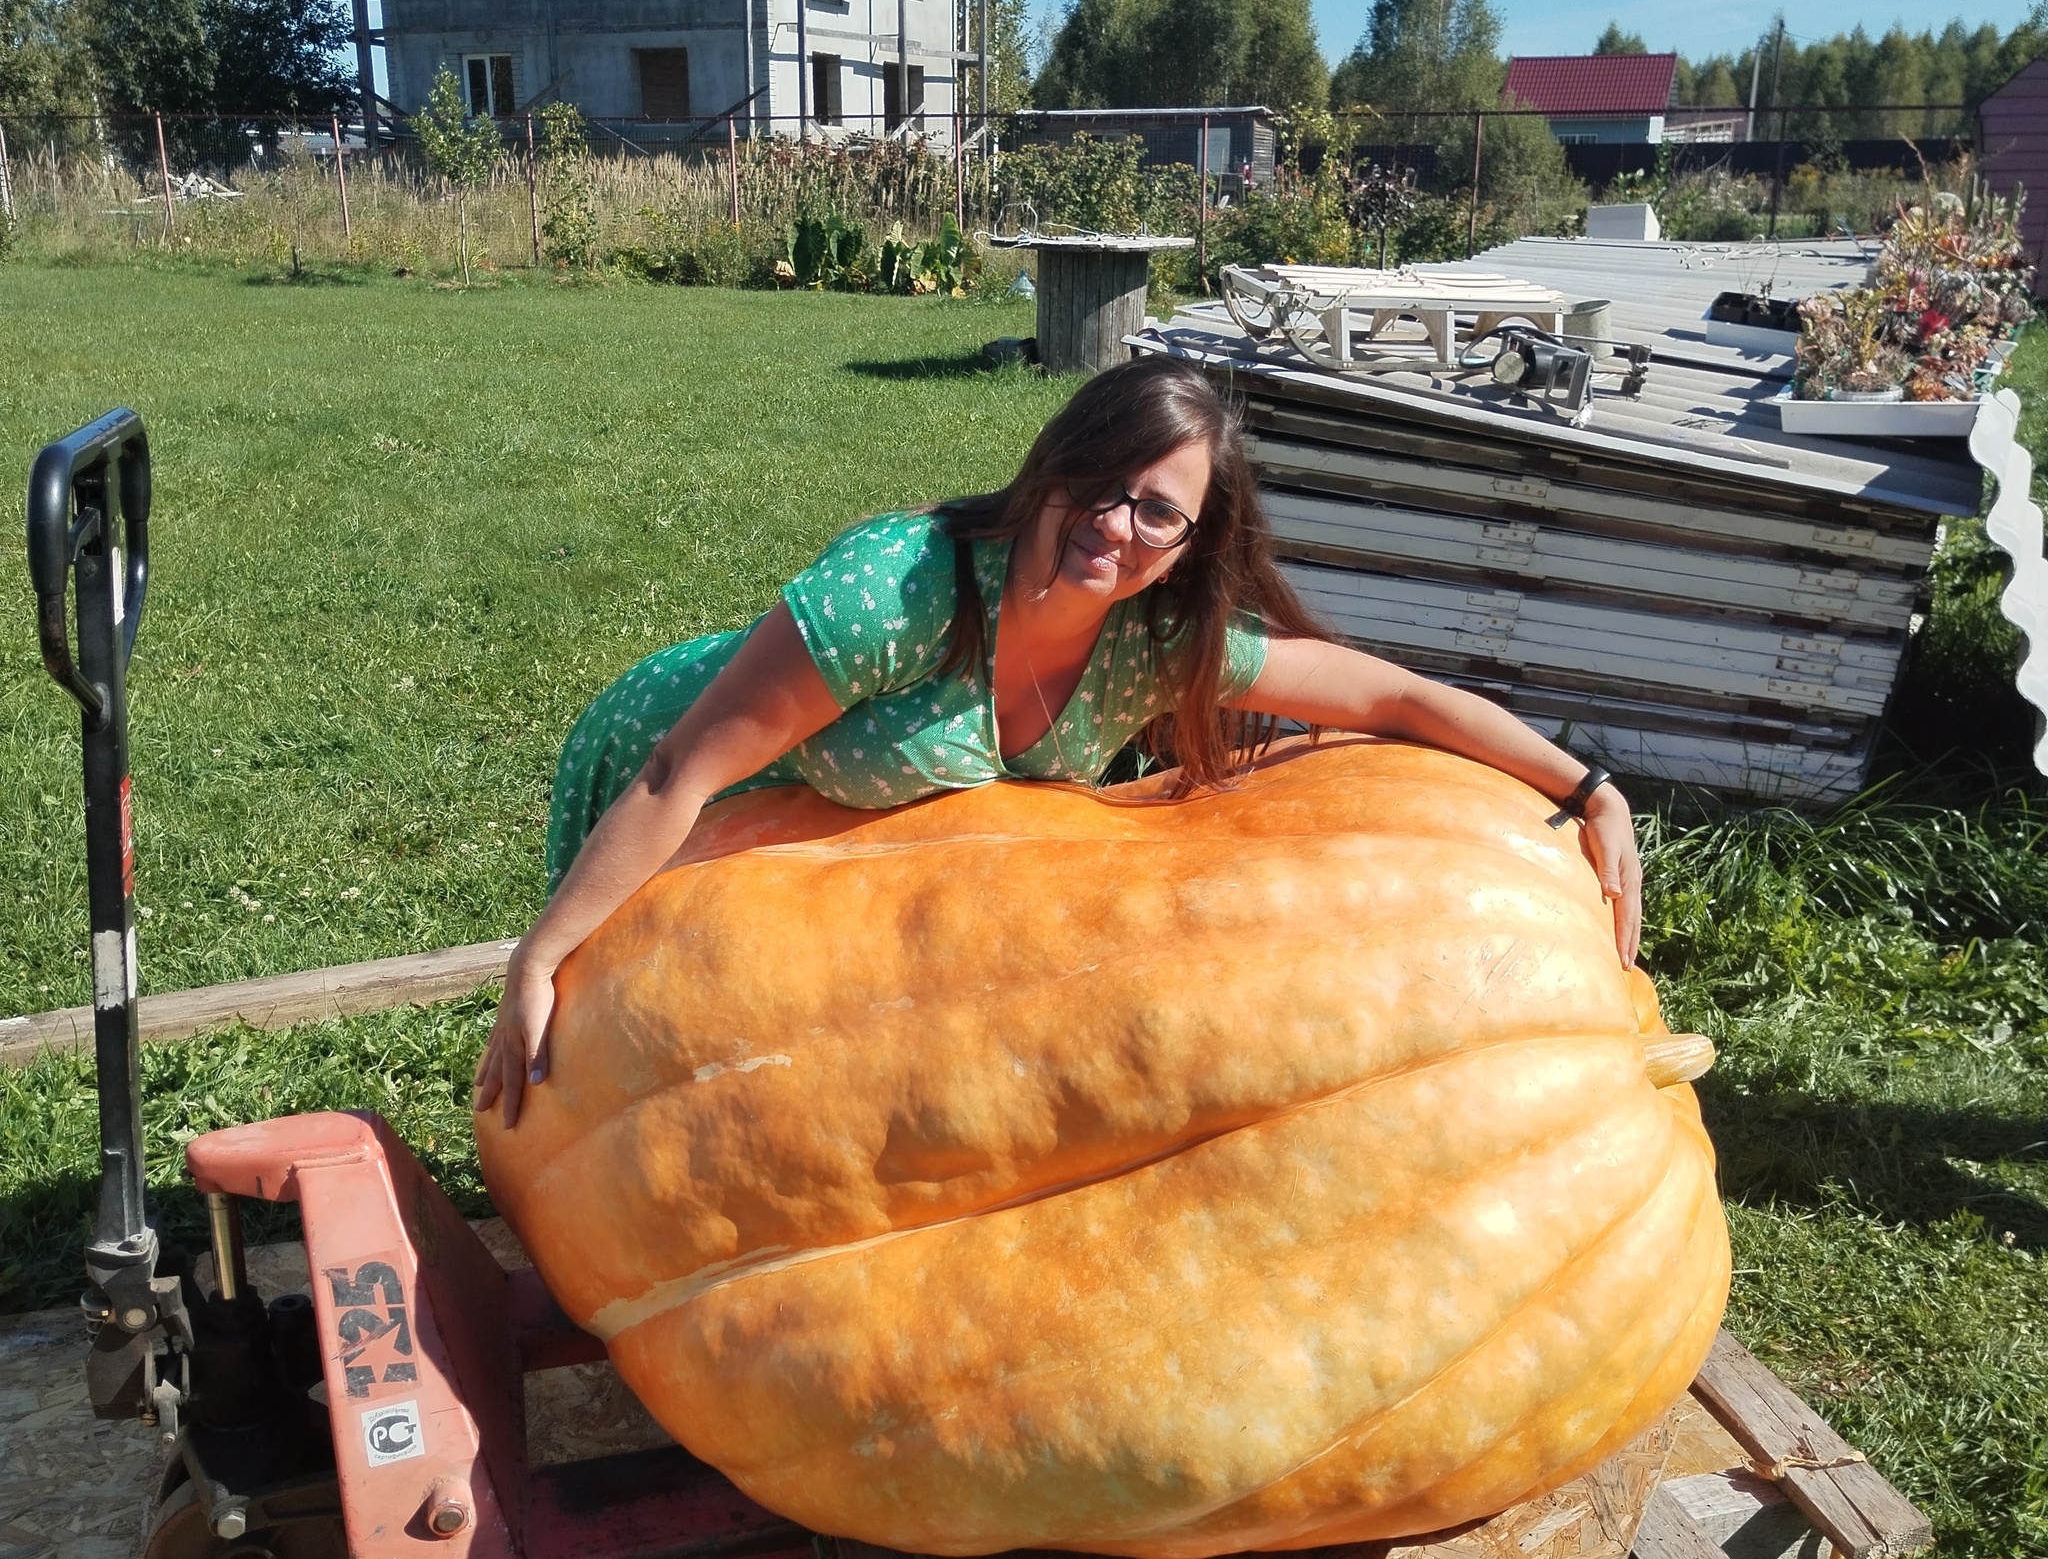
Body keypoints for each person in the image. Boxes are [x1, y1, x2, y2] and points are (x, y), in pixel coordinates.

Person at [477, 356, 1641, 1126]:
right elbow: (680, 769)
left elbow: (1384, 698)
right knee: (599, 1072)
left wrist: (1582, 783)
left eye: (1157, 511)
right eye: (1100, 481)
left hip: (825, 852)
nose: (1113, 524)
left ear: (1188, 544)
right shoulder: (904, 592)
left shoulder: (1145, 647)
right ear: (1052, 461)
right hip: (687, 776)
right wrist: (539, 951)